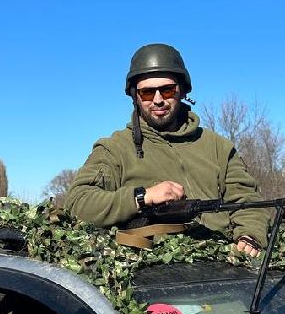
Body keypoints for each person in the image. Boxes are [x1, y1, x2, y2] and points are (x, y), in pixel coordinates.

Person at [64, 43, 269, 255]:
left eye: (167, 90)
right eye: (147, 92)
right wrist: (143, 197)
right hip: (153, 269)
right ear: (135, 96)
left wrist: (249, 234)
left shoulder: (218, 146)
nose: (158, 100)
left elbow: (247, 200)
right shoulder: (114, 149)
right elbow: (79, 202)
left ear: (182, 91)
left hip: (223, 261)